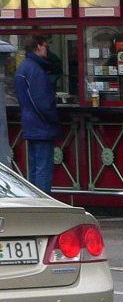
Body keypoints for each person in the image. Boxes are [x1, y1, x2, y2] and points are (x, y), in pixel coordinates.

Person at [15, 34, 62, 193]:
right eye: (45, 46)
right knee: (43, 169)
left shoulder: (25, 67)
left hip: (31, 124)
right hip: (41, 125)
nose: (47, 49)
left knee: (35, 168)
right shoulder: (35, 69)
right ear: (38, 46)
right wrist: (54, 119)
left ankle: (36, 201)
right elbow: (42, 101)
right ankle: (43, 203)